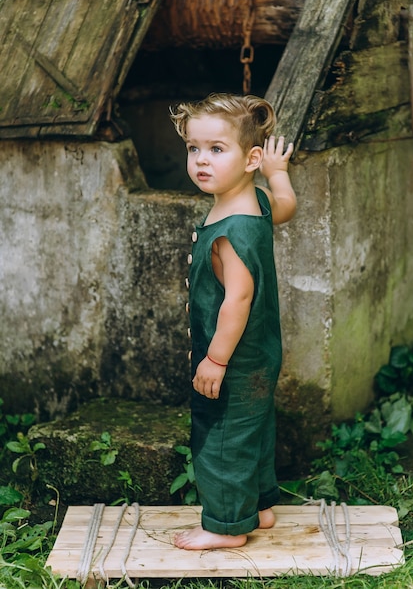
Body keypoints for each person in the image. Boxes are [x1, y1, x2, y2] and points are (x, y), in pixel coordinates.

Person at [169, 93, 297, 550]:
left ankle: (226, 526)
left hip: (235, 358)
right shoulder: (256, 200)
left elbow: (237, 300)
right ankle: (259, 507)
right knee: (255, 429)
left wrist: (216, 360)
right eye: (193, 149)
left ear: (250, 158)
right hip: (261, 351)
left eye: (216, 149)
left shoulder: (231, 230)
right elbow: (284, 208)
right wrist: (278, 176)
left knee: (223, 438)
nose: (201, 160)